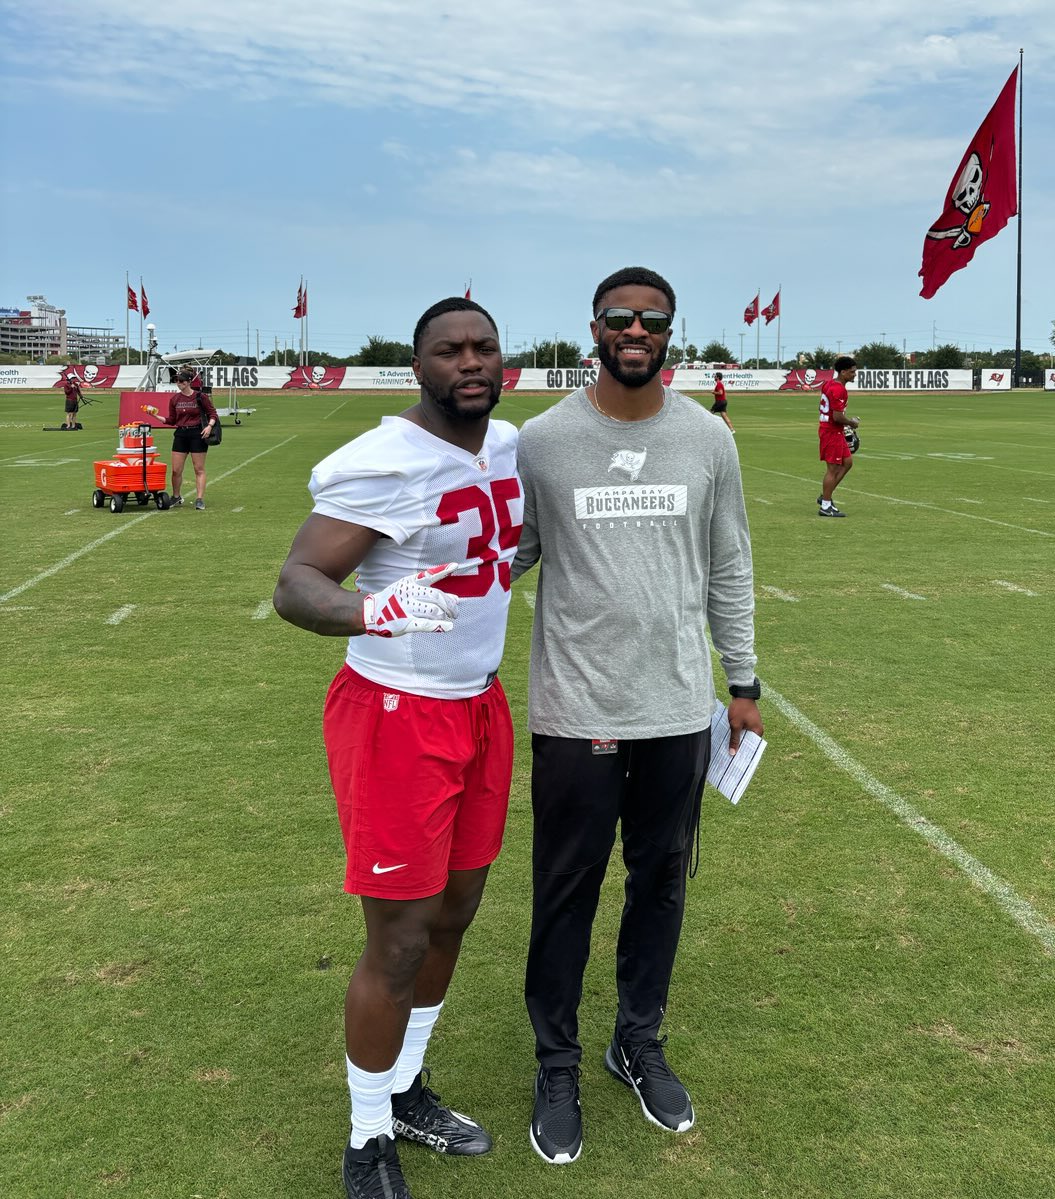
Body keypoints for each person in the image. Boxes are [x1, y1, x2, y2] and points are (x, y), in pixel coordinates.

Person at [512, 266, 763, 1166]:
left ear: (669, 332)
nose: (634, 330)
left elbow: (728, 562)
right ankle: (556, 1061)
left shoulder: (706, 438)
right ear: (594, 327)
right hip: (576, 710)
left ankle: (636, 1040)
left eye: (650, 320)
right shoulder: (541, 442)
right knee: (566, 888)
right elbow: (509, 553)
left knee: (660, 881)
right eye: (620, 317)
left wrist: (744, 683)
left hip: (674, 709)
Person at [272, 298, 522, 1199]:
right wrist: (370, 607)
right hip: (397, 711)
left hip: (477, 704)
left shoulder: (506, 444)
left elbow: (502, 547)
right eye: (449, 349)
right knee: (399, 937)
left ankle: (406, 1085)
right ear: (414, 363)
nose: (469, 361)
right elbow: (297, 584)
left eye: (483, 347)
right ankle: (365, 1132)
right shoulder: (382, 461)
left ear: (505, 361)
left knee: (454, 913)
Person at [142, 369, 218, 509]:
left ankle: (200, 499)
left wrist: (209, 427)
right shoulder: (175, 399)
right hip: (181, 435)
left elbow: (213, 414)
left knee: (198, 469)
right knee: (176, 470)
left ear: (189, 382)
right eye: (177, 380)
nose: (178, 383)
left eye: (181, 381)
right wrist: (154, 416)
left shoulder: (200, 397)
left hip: (197, 434)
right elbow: (171, 420)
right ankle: (176, 496)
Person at [817, 355, 860, 517]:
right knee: (833, 469)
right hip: (831, 431)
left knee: (847, 462)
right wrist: (852, 423)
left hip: (833, 430)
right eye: (852, 372)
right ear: (843, 372)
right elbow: (837, 417)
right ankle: (826, 506)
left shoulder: (830, 383)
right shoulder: (839, 388)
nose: (854, 374)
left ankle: (825, 497)